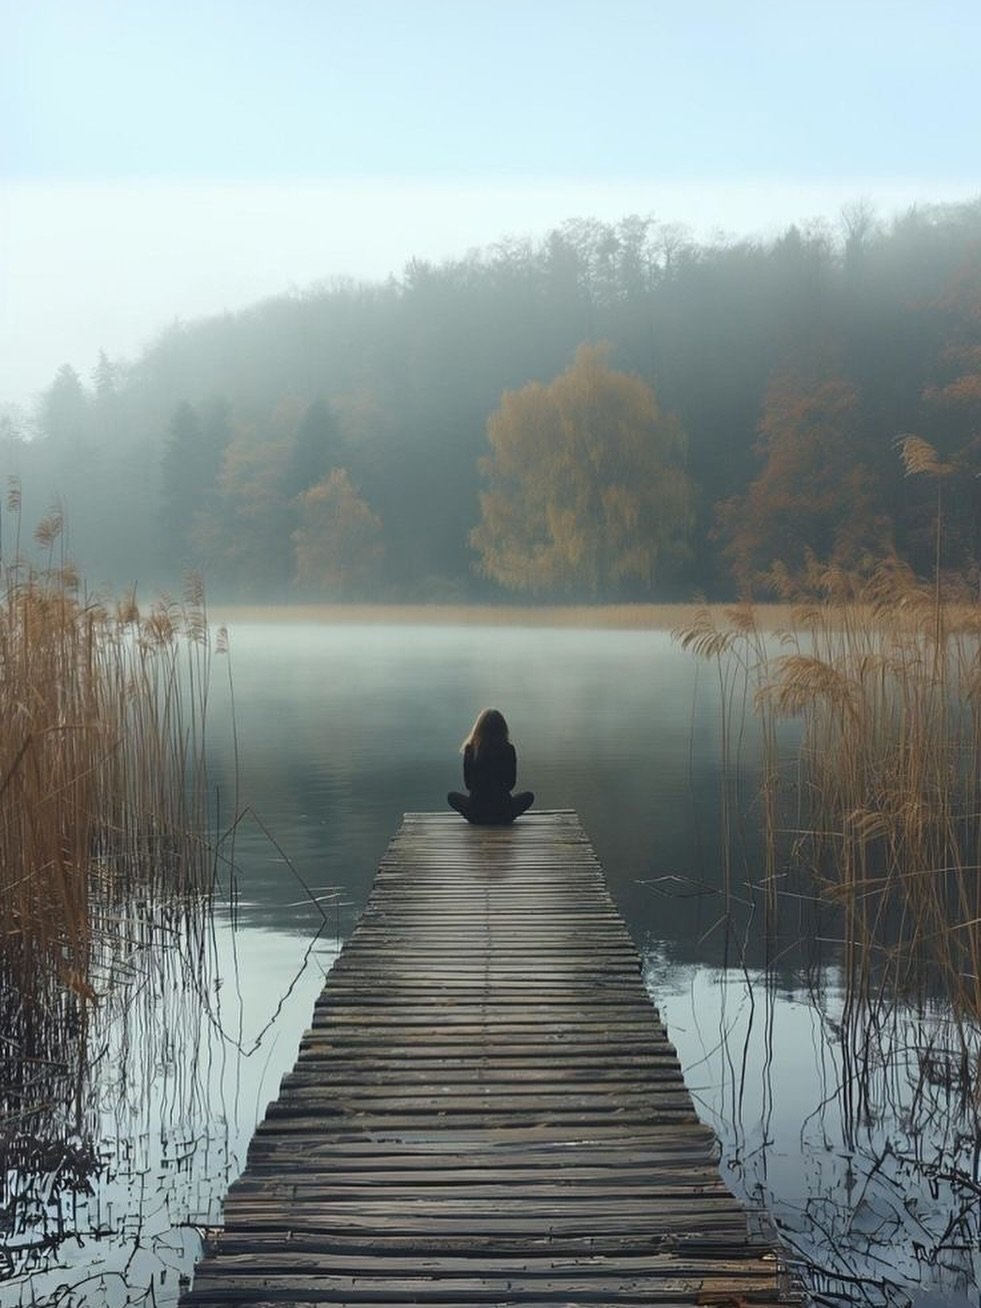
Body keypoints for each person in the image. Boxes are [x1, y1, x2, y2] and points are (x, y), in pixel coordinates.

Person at [447, 708, 534, 825]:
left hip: (476, 813)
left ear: (478, 728)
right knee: (528, 796)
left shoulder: (471, 750)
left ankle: (479, 818)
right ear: (503, 728)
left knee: (452, 797)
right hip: (503, 812)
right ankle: (502, 817)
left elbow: (468, 785)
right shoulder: (508, 749)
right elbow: (510, 784)